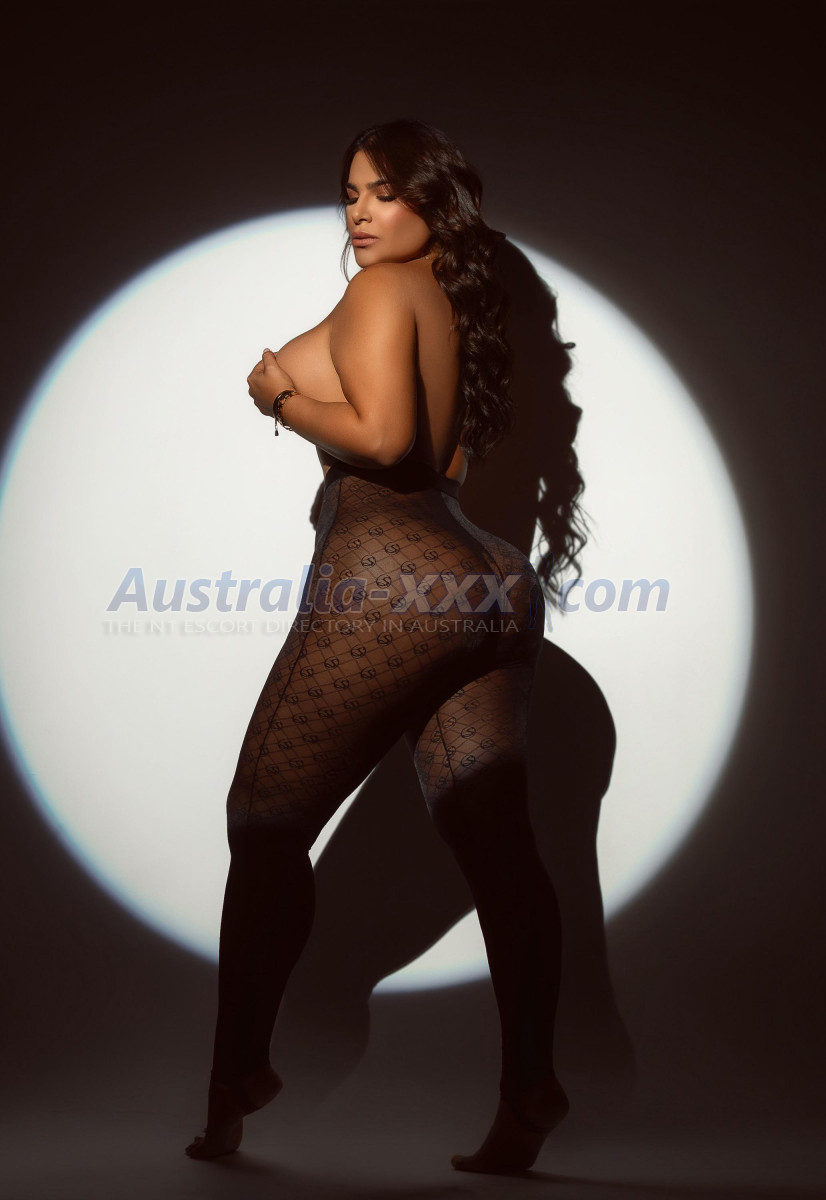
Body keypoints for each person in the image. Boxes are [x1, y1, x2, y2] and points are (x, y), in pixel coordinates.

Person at [185, 117, 584, 1174]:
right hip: (489, 581)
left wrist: (279, 396)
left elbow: (383, 439)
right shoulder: (444, 302)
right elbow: (380, 408)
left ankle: (237, 1075)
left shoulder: (379, 293)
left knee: (261, 820)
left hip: (396, 577)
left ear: (432, 203)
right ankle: (530, 1088)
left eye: (385, 193)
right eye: (351, 194)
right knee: (500, 850)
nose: (359, 213)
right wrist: (287, 375)